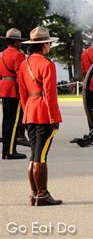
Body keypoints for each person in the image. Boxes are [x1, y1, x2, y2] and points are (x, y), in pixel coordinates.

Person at [18, 26, 62, 206]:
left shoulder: (24, 64)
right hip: (44, 114)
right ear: (44, 45)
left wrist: (26, 112)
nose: (50, 46)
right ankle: (42, 195)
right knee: (41, 157)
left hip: (30, 111)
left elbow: (22, 92)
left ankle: (34, 194)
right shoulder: (47, 64)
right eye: (49, 43)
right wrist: (54, 118)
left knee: (34, 155)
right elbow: (50, 95)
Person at [0, 28, 27, 159]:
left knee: (6, 121)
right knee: (14, 122)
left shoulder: (2, 54)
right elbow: (21, 75)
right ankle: (10, 151)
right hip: (14, 90)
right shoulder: (18, 55)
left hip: (4, 88)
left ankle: (6, 150)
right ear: (16, 41)